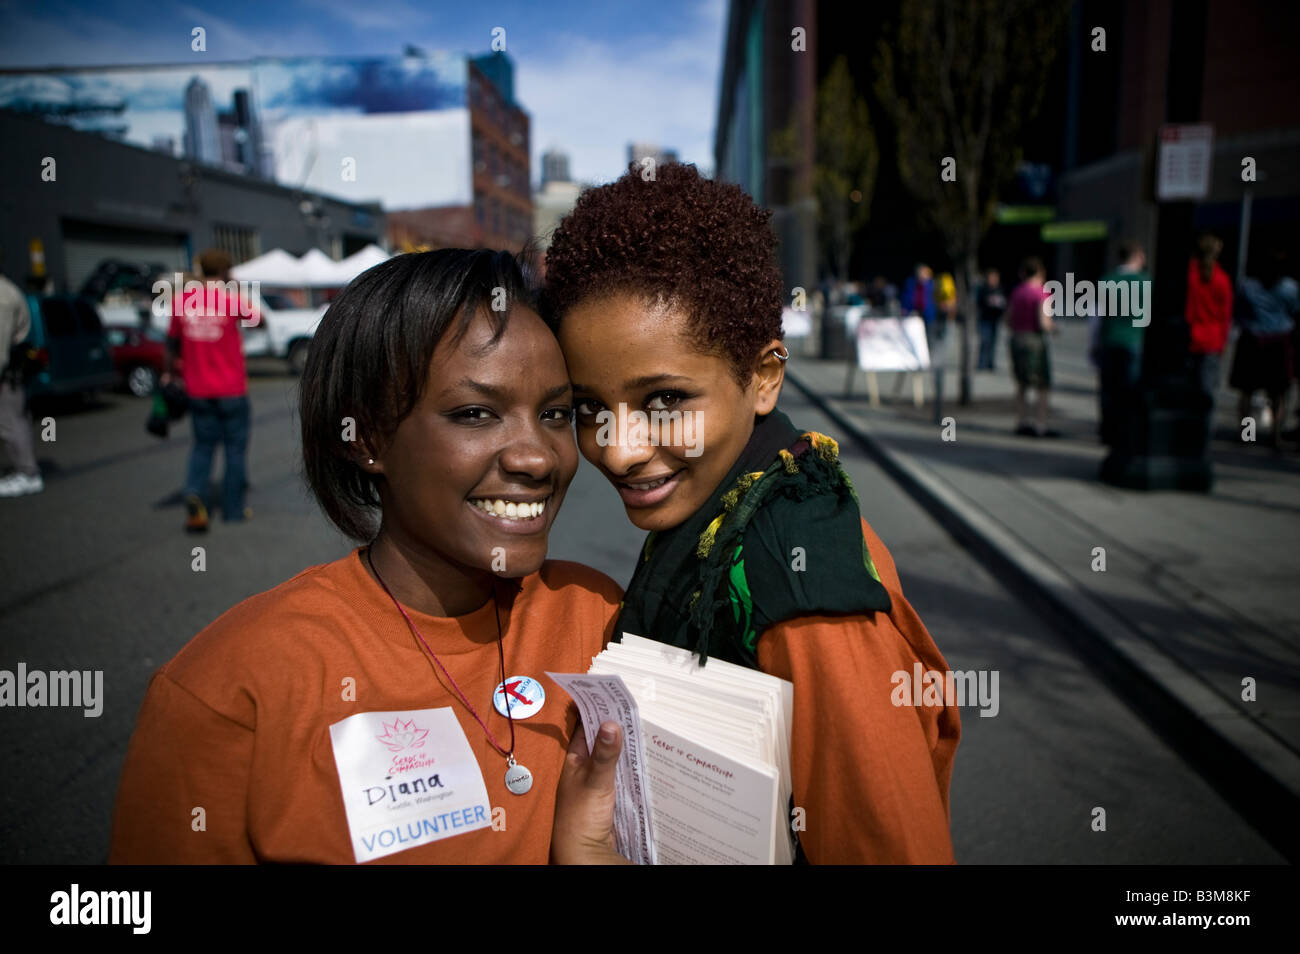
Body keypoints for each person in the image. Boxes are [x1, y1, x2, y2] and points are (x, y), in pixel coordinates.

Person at [110, 249, 627, 864]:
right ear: (368, 438)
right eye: (475, 414)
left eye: (554, 414)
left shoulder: (600, 619)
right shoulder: (229, 688)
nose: (537, 457)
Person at [541, 163, 961, 864]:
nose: (618, 452)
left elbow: (889, 840)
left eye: (665, 402)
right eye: (590, 409)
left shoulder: (798, 585)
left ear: (764, 376)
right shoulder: (717, 503)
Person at [164, 249, 255, 531]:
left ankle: (195, 498)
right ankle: (233, 510)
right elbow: (258, 319)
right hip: (231, 390)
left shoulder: (182, 302)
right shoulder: (230, 299)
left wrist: (168, 374)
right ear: (226, 270)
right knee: (234, 451)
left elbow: (170, 344)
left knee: (202, 448)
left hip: (198, 390)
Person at [1230, 250, 1297, 449]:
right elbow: (1294, 311)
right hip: (1278, 342)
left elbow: (1238, 312)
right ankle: (1274, 436)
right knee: (1277, 395)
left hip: (1253, 341)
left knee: (1248, 393)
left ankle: (1246, 434)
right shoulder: (1289, 288)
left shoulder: (1248, 286)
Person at [1094, 240, 1150, 447]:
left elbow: (1096, 318)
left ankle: (1107, 430)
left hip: (1109, 340)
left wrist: (1094, 345)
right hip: (1135, 341)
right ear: (1137, 256)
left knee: (1108, 389)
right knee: (1130, 389)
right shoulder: (1146, 282)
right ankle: (1126, 429)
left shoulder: (1107, 280)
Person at [1184, 233, 1233, 443]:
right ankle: (1203, 434)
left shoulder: (1188, 276)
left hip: (1188, 338)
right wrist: (1222, 345)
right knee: (1207, 393)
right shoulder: (1222, 279)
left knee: (1186, 391)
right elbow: (1225, 317)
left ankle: (1185, 429)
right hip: (1211, 342)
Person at [0, 263, 41, 497]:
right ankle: (26, 471)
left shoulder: (3, 296)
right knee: (15, 421)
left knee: (11, 422)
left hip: (9, 373)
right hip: (13, 370)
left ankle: (27, 473)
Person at [1006, 256, 1056, 437]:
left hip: (1016, 339)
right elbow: (1044, 322)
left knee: (1022, 383)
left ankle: (1021, 421)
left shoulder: (1017, 292)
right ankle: (1040, 425)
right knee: (1043, 384)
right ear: (1040, 273)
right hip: (1034, 341)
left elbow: (1008, 319)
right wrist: (1054, 329)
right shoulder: (1042, 293)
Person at [975, 267, 1007, 371]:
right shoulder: (983, 289)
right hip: (985, 319)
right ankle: (981, 363)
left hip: (995, 319)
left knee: (993, 342)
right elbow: (978, 303)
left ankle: (990, 363)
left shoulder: (1000, 289)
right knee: (984, 341)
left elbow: (1004, 303)